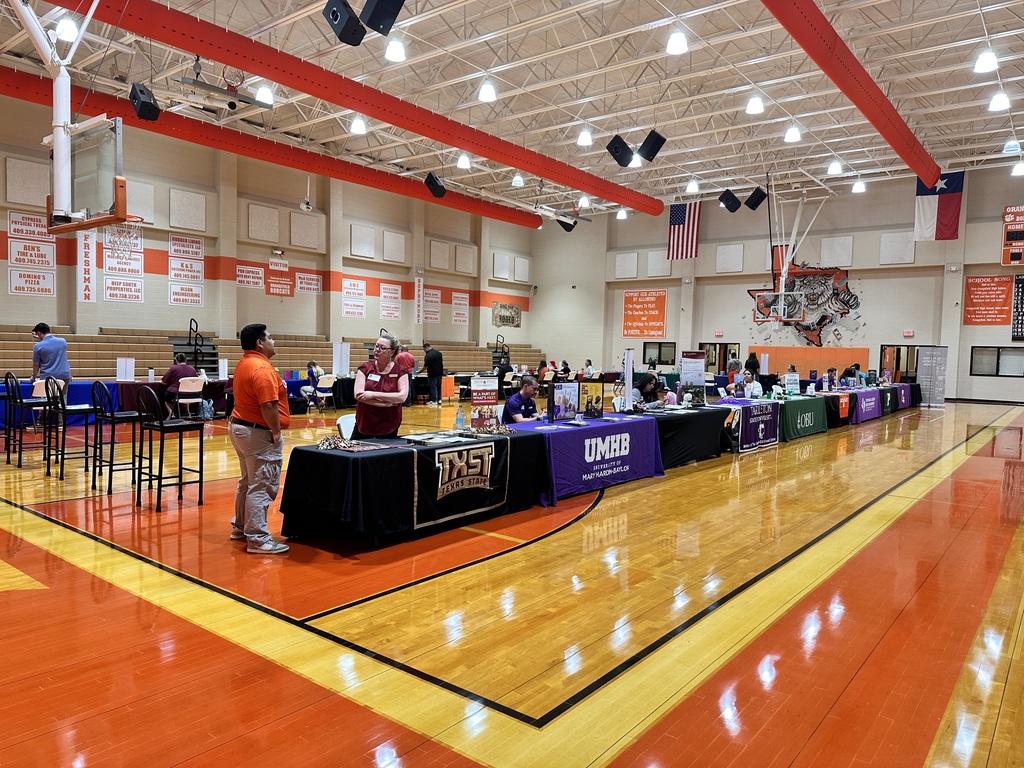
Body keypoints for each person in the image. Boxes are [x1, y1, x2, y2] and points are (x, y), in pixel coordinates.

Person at [228, 323, 290, 555]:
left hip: (241, 428)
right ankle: (258, 539)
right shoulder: (261, 368)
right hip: (257, 433)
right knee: (262, 485)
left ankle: (241, 528)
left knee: (248, 482)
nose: (274, 341)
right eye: (270, 337)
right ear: (259, 343)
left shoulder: (245, 363)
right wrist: (275, 431)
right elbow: (268, 404)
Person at [355, 334, 409, 438]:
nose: (377, 350)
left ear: (392, 352)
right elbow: (358, 395)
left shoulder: (401, 371)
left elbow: (402, 397)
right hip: (365, 422)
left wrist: (372, 394)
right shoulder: (364, 368)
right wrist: (386, 404)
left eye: (382, 348)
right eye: (376, 346)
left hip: (390, 423)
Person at [161, 352, 199, 417]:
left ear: (176, 360)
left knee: (167, 398)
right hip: (191, 394)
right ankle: (188, 413)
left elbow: (164, 382)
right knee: (184, 397)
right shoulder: (192, 369)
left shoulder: (173, 368)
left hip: (176, 393)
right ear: (186, 360)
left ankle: (171, 414)